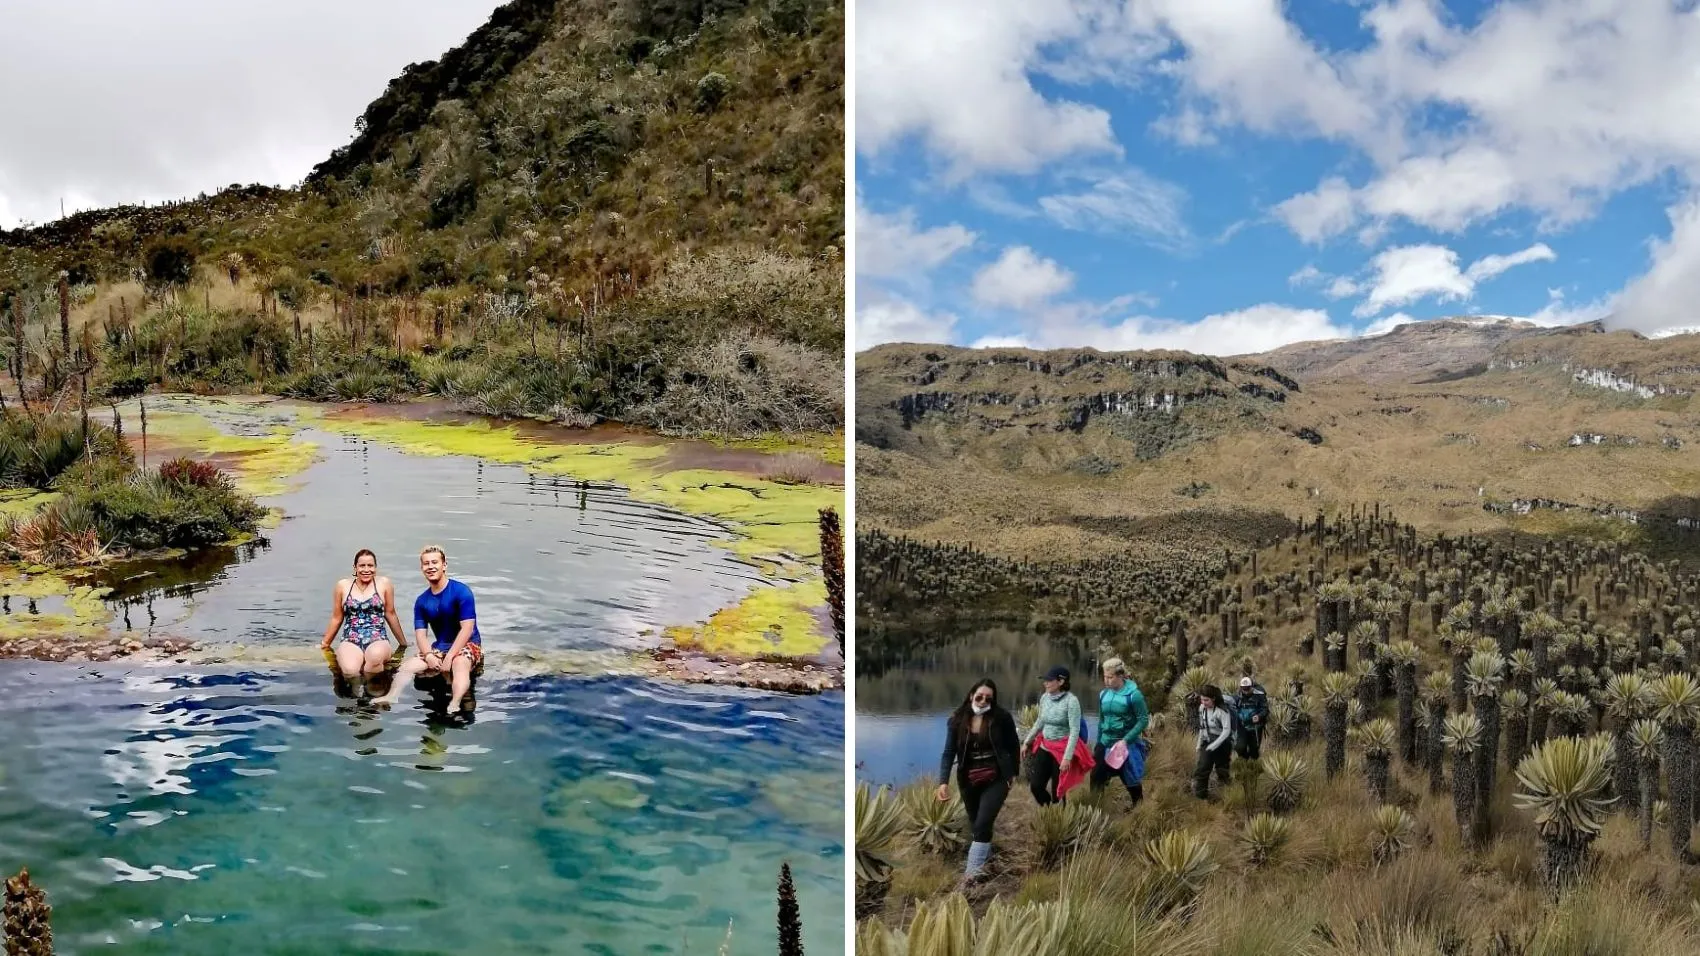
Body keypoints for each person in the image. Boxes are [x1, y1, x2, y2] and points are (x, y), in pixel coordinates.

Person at [373, 546, 482, 712]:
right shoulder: (422, 601)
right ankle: (392, 695)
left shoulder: (461, 591)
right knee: (408, 666)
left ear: (444, 565)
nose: (430, 566)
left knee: (460, 664)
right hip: (440, 646)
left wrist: (450, 657)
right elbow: (421, 636)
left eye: (435, 562)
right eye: (426, 563)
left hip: (467, 644)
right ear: (422, 568)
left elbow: (467, 628)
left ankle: (455, 702)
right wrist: (429, 655)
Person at [936, 679, 1021, 885]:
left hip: (997, 778)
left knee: (983, 823)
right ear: (971, 695)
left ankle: (970, 877)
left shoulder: (1002, 718)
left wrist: (1012, 775)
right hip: (968, 779)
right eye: (979, 697)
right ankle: (987, 861)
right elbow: (949, 752)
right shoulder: (956, 720)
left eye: (988, 698)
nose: (983, 701)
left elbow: (1014, 747)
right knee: (977, 825)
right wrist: (943, 782)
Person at [318, 549, 408, 691]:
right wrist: (325, 644)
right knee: (349, 670)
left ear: (375, 568)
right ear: (355, 568)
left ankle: (372, 694)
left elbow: (391, 614)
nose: (366, 570)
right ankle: (356, 699)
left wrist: (403, 644)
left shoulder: (384, 584)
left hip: (377, 637)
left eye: (370, 566)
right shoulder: (343, 586)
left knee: (375, 658)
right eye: (362, 566)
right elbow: (337, 617)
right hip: (350, 638)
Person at [1021, 666, 1095, 805]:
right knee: (1035, 786)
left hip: (1063, 750)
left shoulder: (1071, 701)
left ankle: (1058, 815)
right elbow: (1040, 721)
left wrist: (1067, 758)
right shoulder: (1044, 698)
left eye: (1049, 680)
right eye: (1045, 680)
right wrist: (1027, 741)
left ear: (1061, 682)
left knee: (1058, 791)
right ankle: (1049, 810)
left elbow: (1074, 731)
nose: (1045, 683)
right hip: (1045, 746)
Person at [1091, 657, 1150, 807]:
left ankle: (1138, 807)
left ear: (1120, 676)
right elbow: (1102, 720)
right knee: (1097, 777)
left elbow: (1143, 720)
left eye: (1110, 677)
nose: (1106, 680)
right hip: (1105, 742)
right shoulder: (1103, 694)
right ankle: (1097, 809)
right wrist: (1098, 743)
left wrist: (1126, 740)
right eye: (1105, 677)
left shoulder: (1134, 695)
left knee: (1130, 778)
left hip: (1125, 744)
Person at [1194, 685, 1234, 799]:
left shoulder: (1223, 711)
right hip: (1207, 741)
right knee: (1202, 768)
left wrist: (1215, 745)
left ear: (1213, 698)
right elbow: (1202, 727)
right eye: (1202, 699)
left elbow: (1227, 731)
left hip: (1222, 743)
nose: (1203, 702)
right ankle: (1201, 797)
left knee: (1222, 769)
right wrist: (1199, 744)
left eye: (1206, 700)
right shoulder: (1202, 708)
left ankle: (1226, 794)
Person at [1234, 675, 1270, 759]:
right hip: (1242, 726)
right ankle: (1244, 763)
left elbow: (1265, 709)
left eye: (1248, 688)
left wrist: (1259, 716)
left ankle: (1254, 766)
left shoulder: (1260, 695)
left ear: (1252, 687)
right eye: (1244, 689)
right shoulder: (1238, 696)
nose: (1246, 691)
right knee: (1239, 748)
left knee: (1254, 750)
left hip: (1256, 727)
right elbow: (1233, 708)